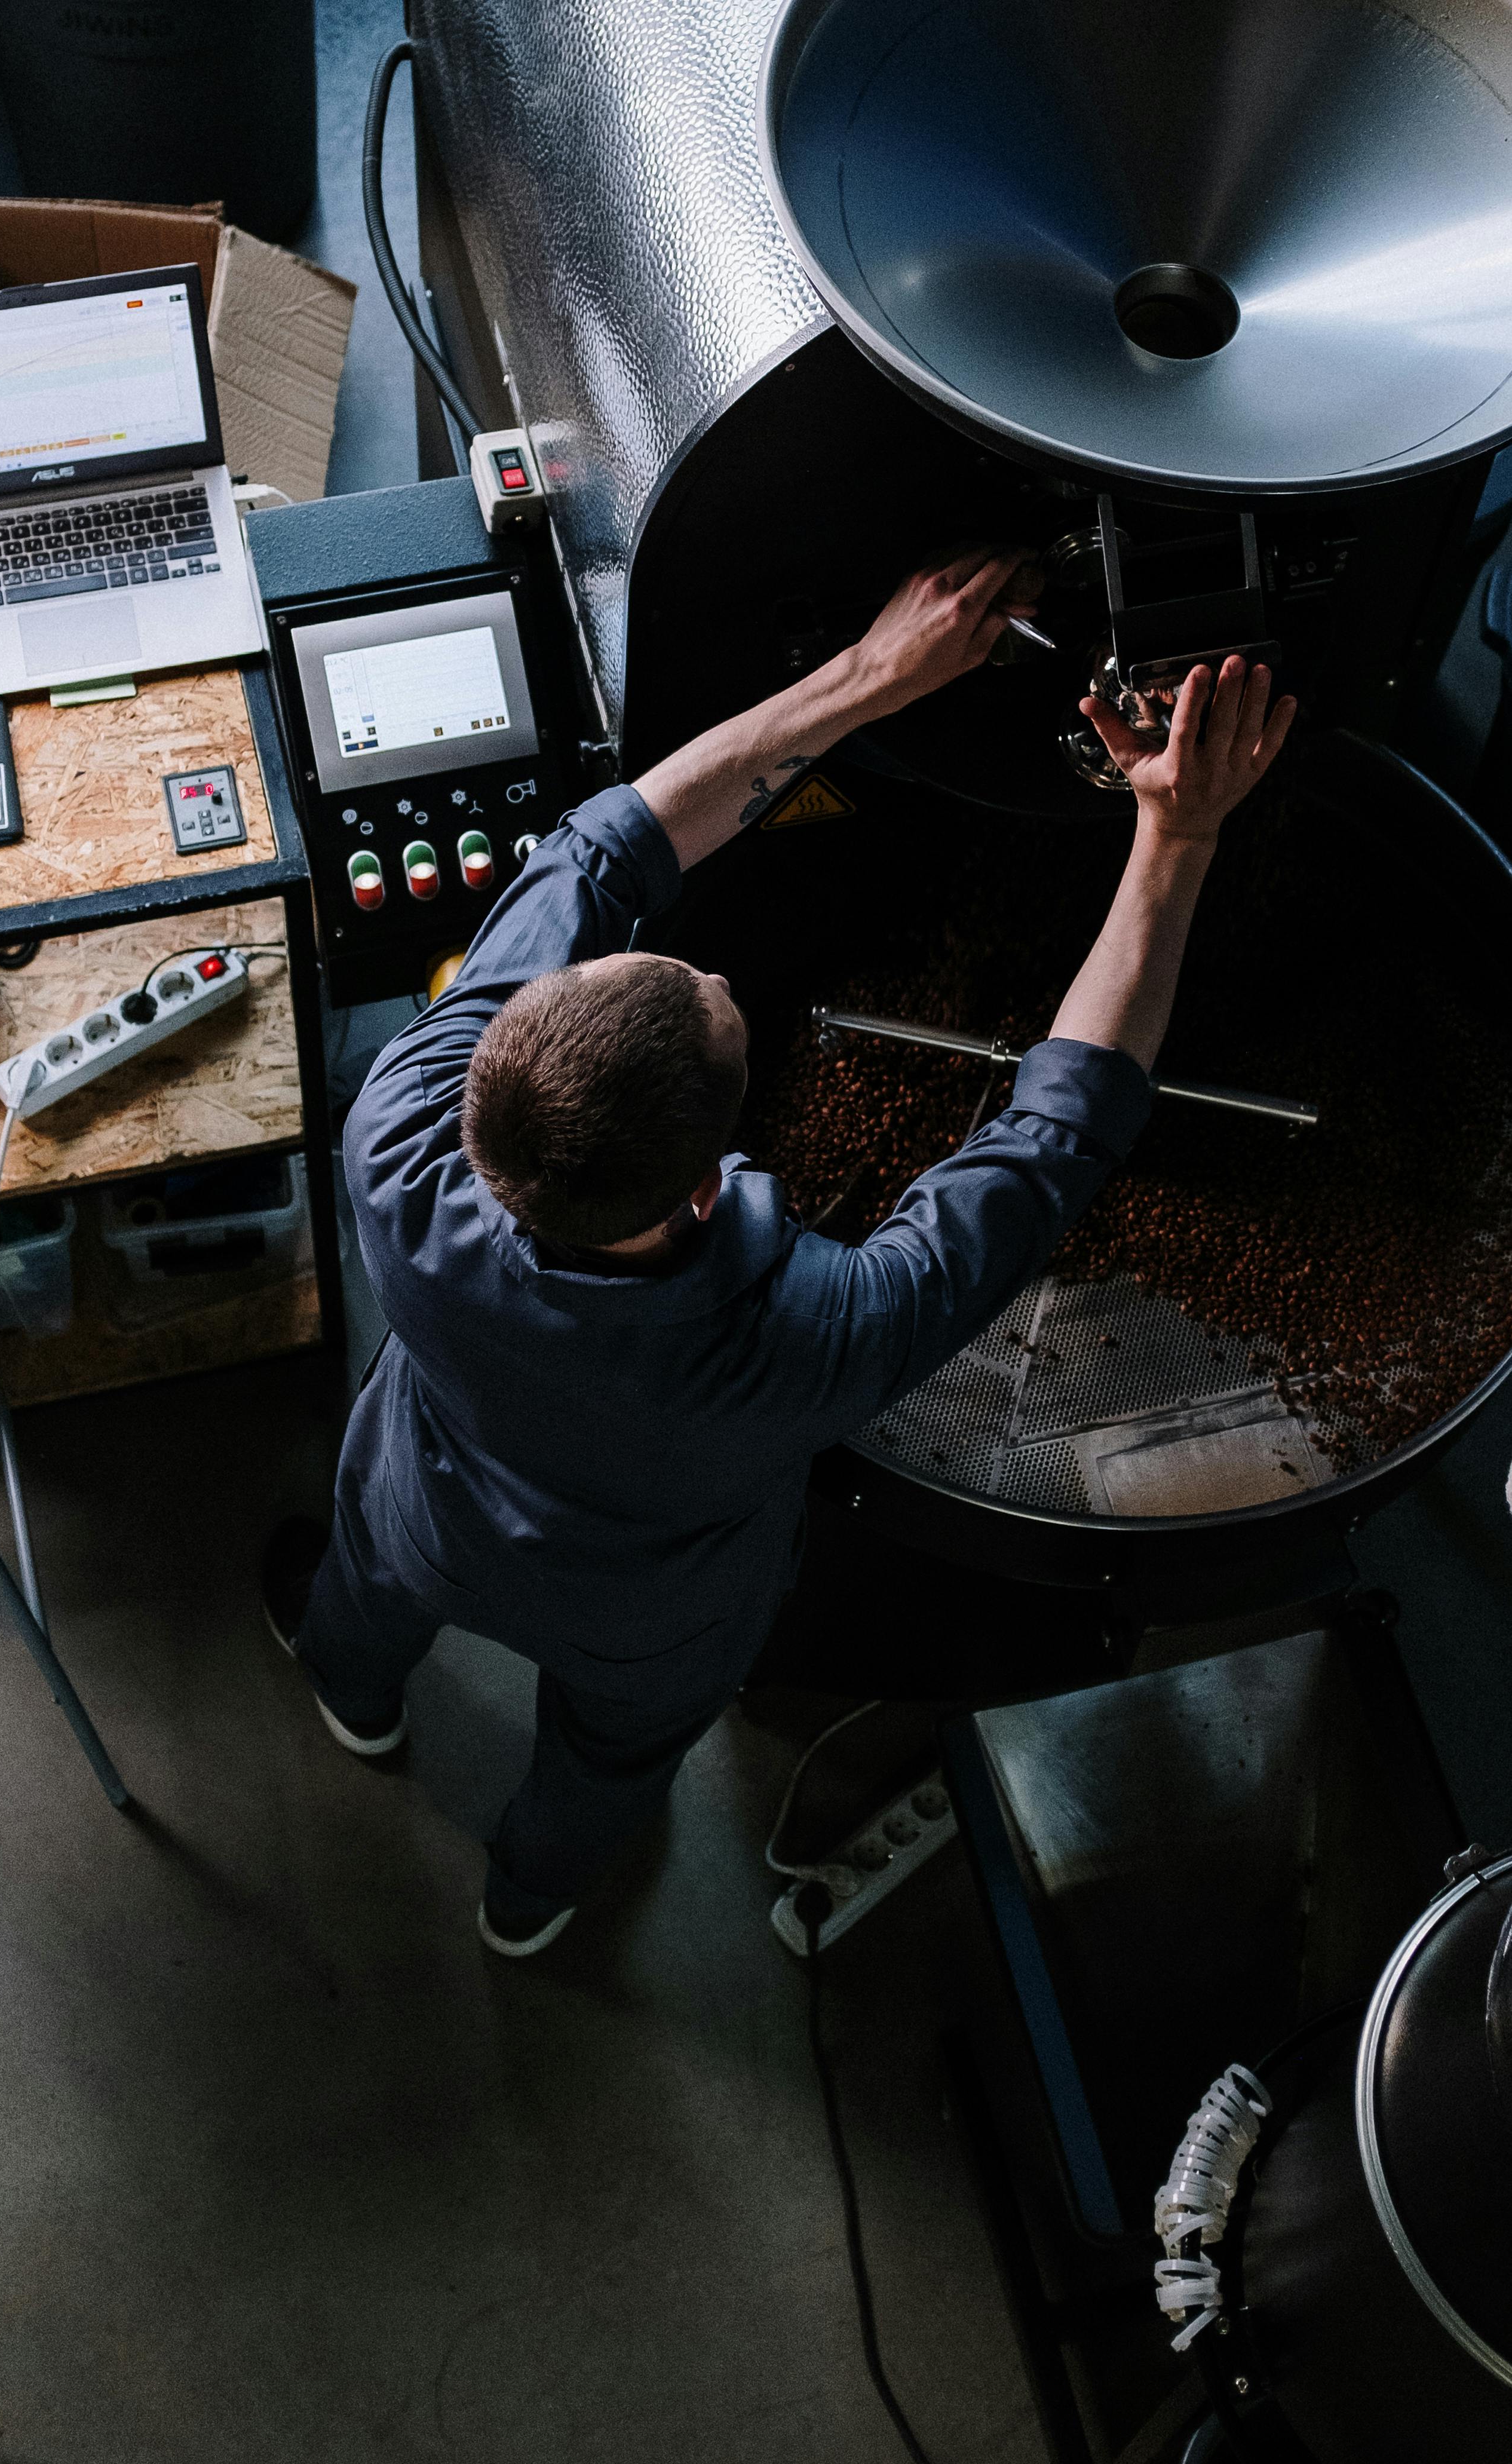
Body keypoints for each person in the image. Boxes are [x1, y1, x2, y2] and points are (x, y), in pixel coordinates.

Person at [262, 550, 1296, 1957]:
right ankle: (528, 1897)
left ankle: (352, 1693)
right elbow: (1053, 1137)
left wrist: (872, 675)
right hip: (655, 1622)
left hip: (426, 1506)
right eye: (712, 1007)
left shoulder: (405, 1126)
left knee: (366, 1589)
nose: (713, 969)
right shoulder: (809, 1335)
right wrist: (1174, 840)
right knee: (614, 1755)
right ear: (703, 1187)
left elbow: (606, 852)